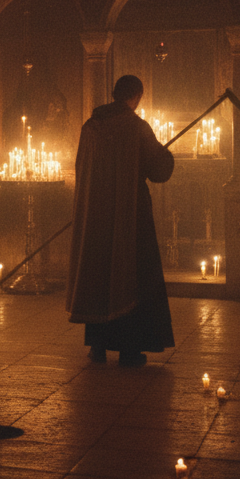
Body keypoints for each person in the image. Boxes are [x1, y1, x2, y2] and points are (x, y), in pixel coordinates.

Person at [66, 74, 175, 366]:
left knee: (100, 276)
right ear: (136, 96)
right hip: (131, 216)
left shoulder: (91, 127)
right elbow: (159, 171)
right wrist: (166, 155)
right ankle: (129, 349)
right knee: (132, 275)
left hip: (97, 217)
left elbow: (81, 169)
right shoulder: (136, 128)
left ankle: (98, 346)